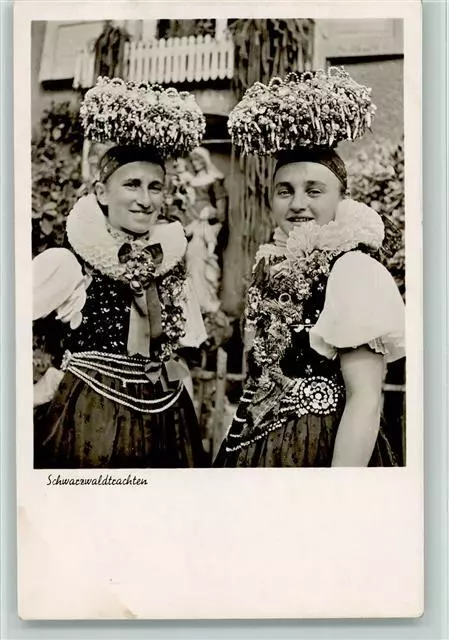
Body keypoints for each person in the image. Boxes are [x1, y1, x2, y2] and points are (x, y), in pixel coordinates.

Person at [214, 69, 405, 467]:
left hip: (321, 444)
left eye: (314, 190)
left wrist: (336, 491)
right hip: (257, 446)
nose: (297, 203)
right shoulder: (272, 264)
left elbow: (366, 400)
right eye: (285, 191)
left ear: (341, 198)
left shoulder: (353, 269)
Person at [33, 77, 208, 469]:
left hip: (164, 421)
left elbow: (181, 351)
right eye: (132, 184)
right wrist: (36, 387)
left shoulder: (170, 263)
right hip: (86, 417)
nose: (145, 200)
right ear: (101, 192)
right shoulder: (70, 263)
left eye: (155, 187)